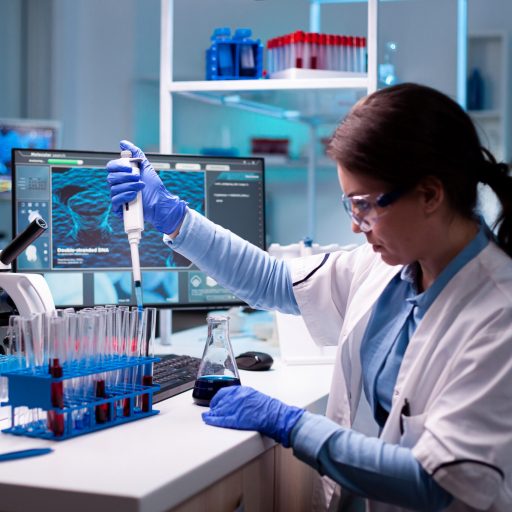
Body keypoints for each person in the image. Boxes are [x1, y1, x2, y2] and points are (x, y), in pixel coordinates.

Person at [107, 83, 512, 512]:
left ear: (430, 194)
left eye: (365, 205)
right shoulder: (388, 268)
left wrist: (291, 424)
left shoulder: (497, 313)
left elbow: (436, 483)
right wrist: (174, 217)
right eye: (350, 206)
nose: (357, 226)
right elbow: (272, 281)